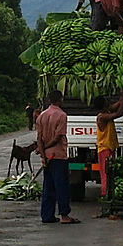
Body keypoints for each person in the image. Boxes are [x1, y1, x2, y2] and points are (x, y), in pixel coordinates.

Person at [36, 90, 79, 224]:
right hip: (58, 155)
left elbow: (39, 138)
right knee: (61, 186)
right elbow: (57, 137)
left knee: (48, 186)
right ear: (60, 100)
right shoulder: (61, 115)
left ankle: (47, 215)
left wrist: (43, 154)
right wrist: (48, 147)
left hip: (47, 157)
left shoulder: (41, 116)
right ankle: (64, 215)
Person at [93, 92, 123, 203]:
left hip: (109, 148)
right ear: (103, 105)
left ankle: (109, 194)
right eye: (107, 102)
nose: (109, 103)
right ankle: (105, 195)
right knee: (106, 173)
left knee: (110, 172)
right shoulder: (102, 117)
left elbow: (116, 105)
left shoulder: (106, 111)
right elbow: (118, 114)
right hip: (104, 149)